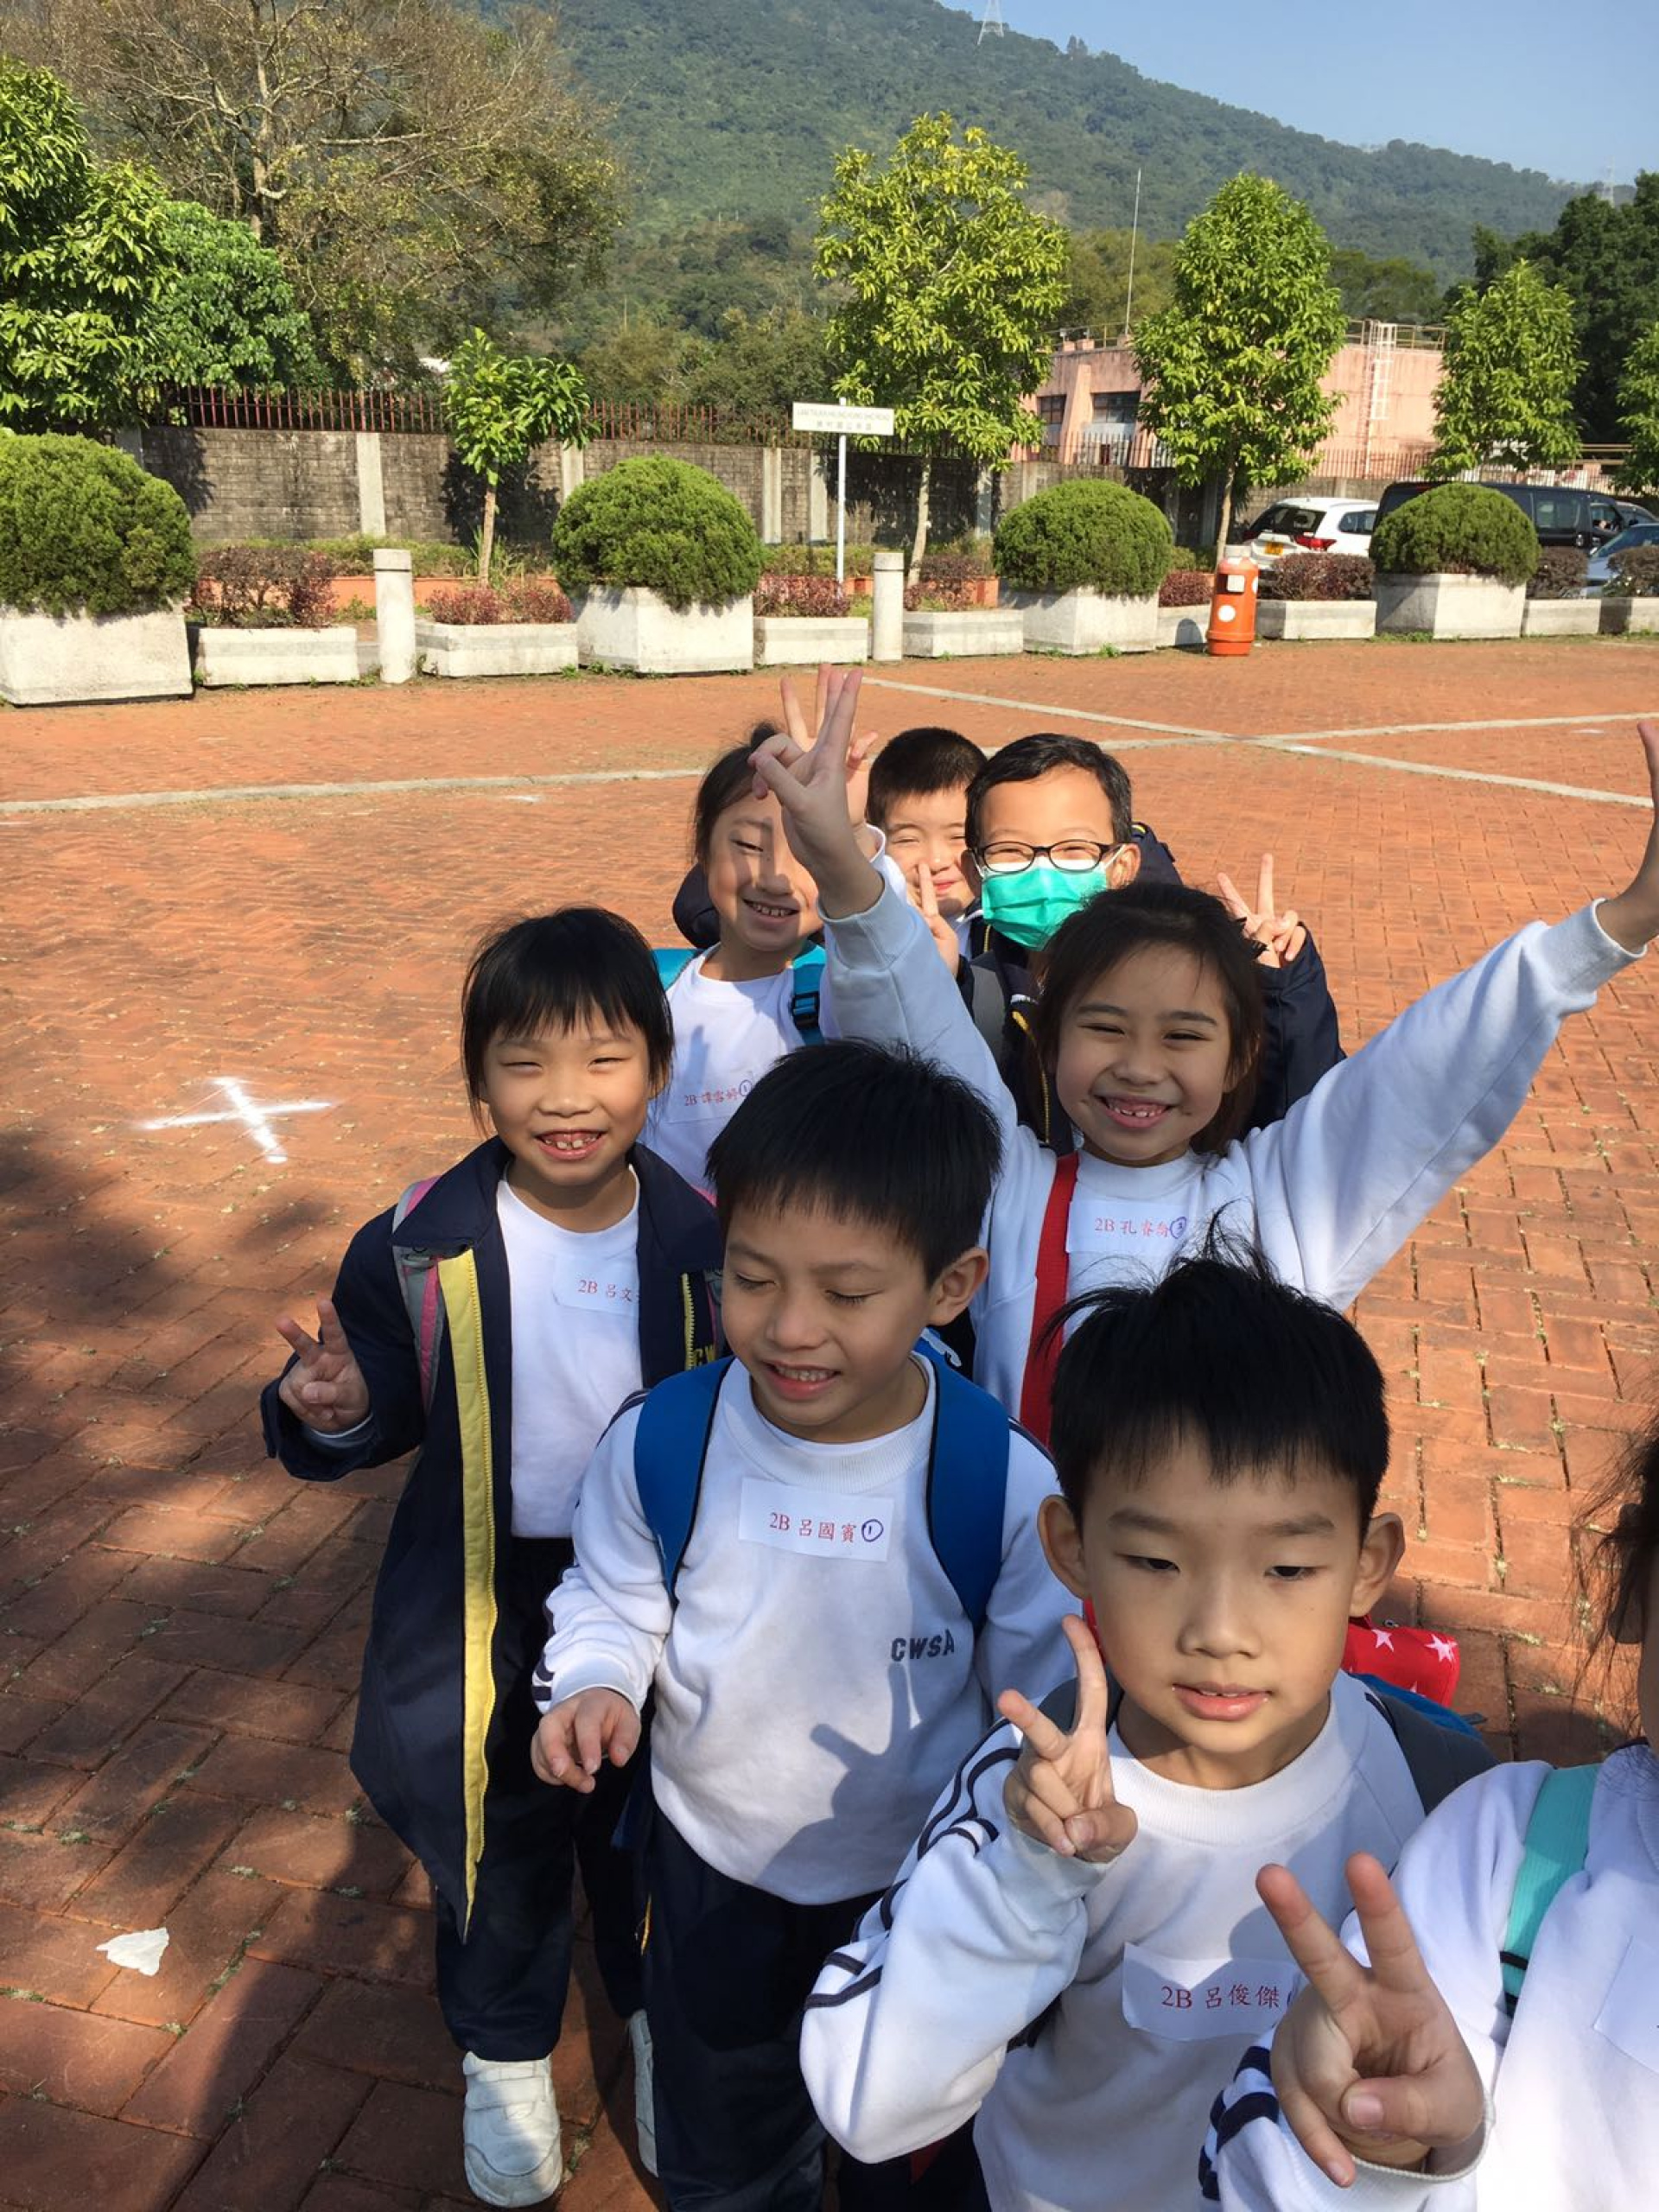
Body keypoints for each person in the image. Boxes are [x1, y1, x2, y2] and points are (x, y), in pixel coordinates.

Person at [757, 675, 1657, 1431]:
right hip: (1022, 1574)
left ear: (1236, 1060)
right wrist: (841, 866)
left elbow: (1435, 1065)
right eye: (1105, 1027)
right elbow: (912, 1017)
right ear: (1051, 1042)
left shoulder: (1282, 1198)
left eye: (1183, 1035)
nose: (1140, 1065)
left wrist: (1624, 921)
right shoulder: (1010, 1184)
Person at [800, 1247, 1491, 2212]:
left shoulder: (1446, 1796)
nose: (1220, 1631)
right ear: (1071, 1547)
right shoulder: (1029, 1797)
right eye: (1157, 1562)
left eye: (1288, 1569)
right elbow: (870, 2104)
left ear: (1368, 1564)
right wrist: (1027, 1882)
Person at [531, 1041, 1071, 2212]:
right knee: (725, 2135)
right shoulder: (666, 1440)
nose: (789, 1326)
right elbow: (614, 1593)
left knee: (904, 2156)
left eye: (847, 1292)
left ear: (951, 1285)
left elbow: (1039, 1709)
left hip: (918, 1892)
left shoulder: (1000, 1485)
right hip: (710, 1870)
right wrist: (597, 1679)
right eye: (753, 1277)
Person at [260, 908, 722, 2209]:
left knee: (654, 1821)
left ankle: (657, 2020)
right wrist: (341, 1407)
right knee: (496, 1824)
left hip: (654, 1591)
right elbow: (377, 1396)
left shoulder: (707, 1244)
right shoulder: (419, 1242)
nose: (566, 1098)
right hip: (486, 1593)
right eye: (526, 1064)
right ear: (479, 1083)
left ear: (657, 1068)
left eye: (604, 1059)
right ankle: (507, 2049)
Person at [1203, 1406, 1659, 2209]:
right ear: (1635, 1580)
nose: (1218, 1632)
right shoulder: (1505, 1856)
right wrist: (1388, 2145)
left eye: (1285, 1568)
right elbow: (1264, 2172)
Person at [954, 732, 1343, 1141]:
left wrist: (1279, 993)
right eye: (1011, 851)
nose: (1044, 873)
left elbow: (1311, 1134)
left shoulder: (1204, 982)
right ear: (974, 873)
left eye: (1074, 849)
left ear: (1123, 867)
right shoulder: (967, 996)